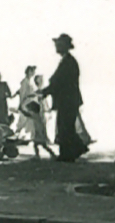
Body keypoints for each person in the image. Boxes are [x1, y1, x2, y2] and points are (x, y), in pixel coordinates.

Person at [38, 33, 88, 162]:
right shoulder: (67, 61)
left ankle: (71, 152)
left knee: (65, 127)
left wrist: (45, 92)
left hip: (68, 100)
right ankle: (70, 152)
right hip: (68, 100)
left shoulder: (68, 62)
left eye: (58, 44)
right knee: (65, 126)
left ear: (64, 46)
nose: (56, 47)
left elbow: (59, 82)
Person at [13, 65, 37, 137]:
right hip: (26, 103)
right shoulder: (25, 82)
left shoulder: (30, 82)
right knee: (23, 120)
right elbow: (22, 93)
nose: (33, 73)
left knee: (29, 121)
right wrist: (20, 105)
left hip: (30, 103)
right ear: (29, 72)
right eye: (32, 71)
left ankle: (31, 136)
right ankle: (16, 135)